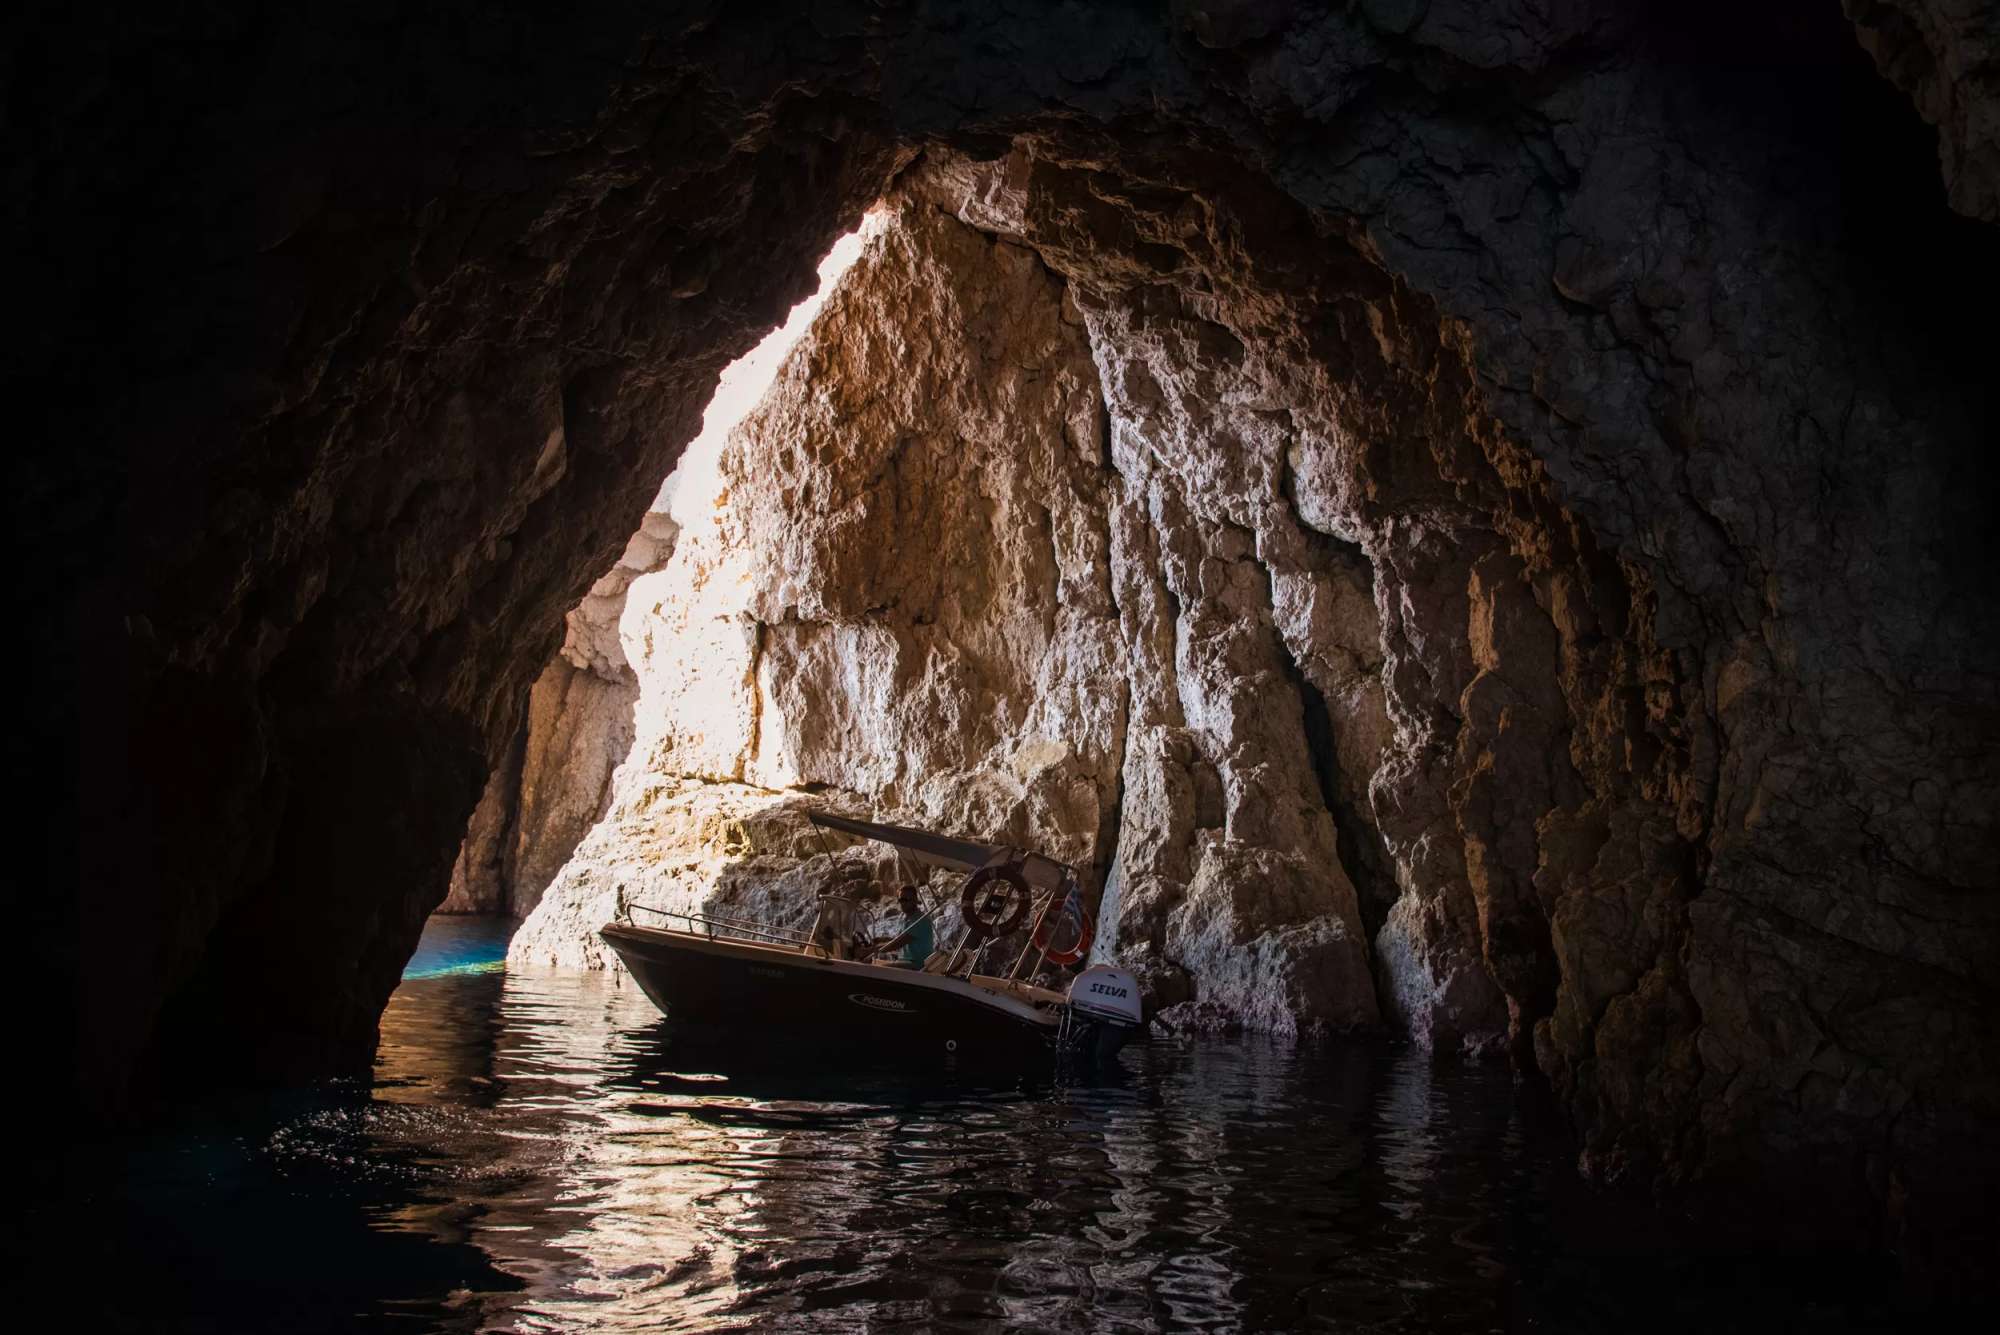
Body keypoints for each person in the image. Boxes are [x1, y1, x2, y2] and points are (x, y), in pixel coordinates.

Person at [861, 885, 934, 969]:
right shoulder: (905, 917)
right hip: (905, 959)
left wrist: (868, 951)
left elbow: (897, 944)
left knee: (878, 969)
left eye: (905, 900)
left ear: (915, 901)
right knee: (875, 961)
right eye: (900, 900)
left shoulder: (920, 920)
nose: (902, 903)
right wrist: (880, 940)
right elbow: (897, 939)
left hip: (917, 964)